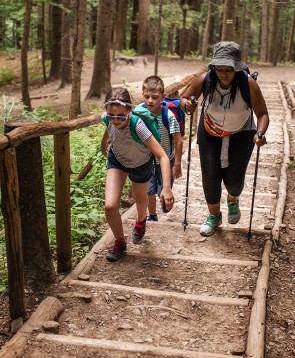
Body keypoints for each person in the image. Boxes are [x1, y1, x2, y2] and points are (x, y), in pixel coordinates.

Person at [179, 41, 269, 236]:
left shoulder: (248, 84)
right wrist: (188, 106)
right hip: (210, 132)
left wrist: (260, 134)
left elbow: (262, 114)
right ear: (214, 67)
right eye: (220, 69)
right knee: (210, 176)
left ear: (237, 67)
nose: (225, 74)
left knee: (235, 181)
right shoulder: (204, 80)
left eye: (229, 69)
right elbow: (183, 98)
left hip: (242, 133)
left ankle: (233, 199)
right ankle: (214, 216)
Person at [100, 87, 175, 261]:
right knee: (110, 206)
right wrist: (104, 145)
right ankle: (120, 241)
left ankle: (141, 222)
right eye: (111, 115)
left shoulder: (138, 126)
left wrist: (166, 188)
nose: (115, 119)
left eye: (120, 116)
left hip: (141, 163)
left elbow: (162, 156)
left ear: (129, 111)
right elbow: (108, 129)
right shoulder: (107, 119)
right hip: (117, 159)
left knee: (139, 198)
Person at [138, 76, 183, 224]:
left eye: (155, 97)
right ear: (142, 95)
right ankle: (152, 215)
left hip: (167, 160)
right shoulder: (139, 113)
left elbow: (178, 140)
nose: (150, 100)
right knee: (149, 191)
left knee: (163, 189)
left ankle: (165, 200)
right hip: (147, 160)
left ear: (163, 97)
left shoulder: (168, 115)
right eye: (147, 97)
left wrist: (177, 164)